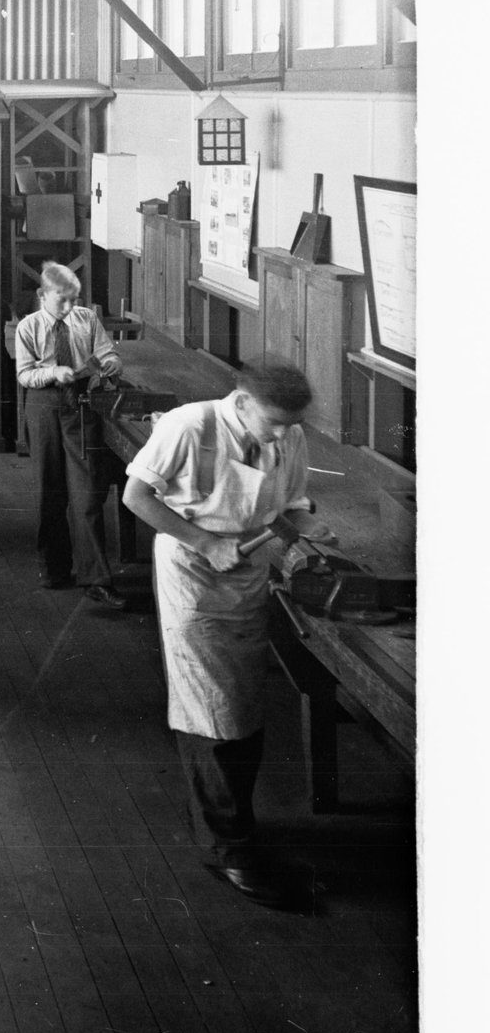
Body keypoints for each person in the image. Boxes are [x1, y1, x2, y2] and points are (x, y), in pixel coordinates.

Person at [123, 360, 335, 910]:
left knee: (241, 706)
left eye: (291, 425)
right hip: (194, 573)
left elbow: (287, 506)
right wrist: (204, 541)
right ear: (241, 401)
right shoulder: (190, 426)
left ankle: (234, 829)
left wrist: (303, 527)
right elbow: (138, 497)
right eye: (273, 422)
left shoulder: (288, 436)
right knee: (209, 710)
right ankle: (228, 849)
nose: (283, 434)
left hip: (248, 571)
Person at [15, 262, 127, 608]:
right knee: (51, 492)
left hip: (81, 407)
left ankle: (97, 579)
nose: (68, 307)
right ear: (42, 295)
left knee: (87, 496)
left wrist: (109, 365)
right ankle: (54, 569)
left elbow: (109, 353)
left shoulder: (86, 320)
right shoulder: (28, 327)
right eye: (61, 300)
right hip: (45, 406)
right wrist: (52, 372)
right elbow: (24, 374)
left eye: (74, 300)